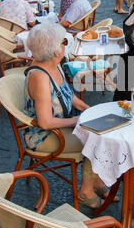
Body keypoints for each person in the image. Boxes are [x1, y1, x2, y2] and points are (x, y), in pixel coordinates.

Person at [23, 23, 112, 209]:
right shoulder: (39, 76)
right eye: (64, 41)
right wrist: (78, 120)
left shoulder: (54, 65)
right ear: (56, 51)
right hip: (44, 135)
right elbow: (45, 122)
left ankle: (94, 180)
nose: (66, 44)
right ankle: (86, 191)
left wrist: (91, 111)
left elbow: (68, 96)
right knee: (95, 137)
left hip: (61, 124)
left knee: (100, 128)